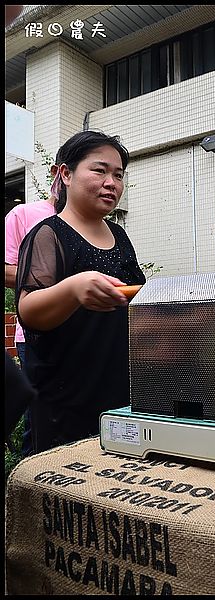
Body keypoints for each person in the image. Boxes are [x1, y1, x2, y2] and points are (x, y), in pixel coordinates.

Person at [15, 130, 146, 453]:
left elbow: (137, 295)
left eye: (118, 175)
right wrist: (73, 289)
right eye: (99, 170)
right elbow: (28, 309)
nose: (111, 182)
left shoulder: (119, 235)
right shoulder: (48, 234)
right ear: (66, 174)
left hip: (116, 386)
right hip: (65, 394)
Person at [5, 153, 65, 455]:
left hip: (84, 334)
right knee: (40, 418)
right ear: (60, 172)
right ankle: (28, 488)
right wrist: (58, 284)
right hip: (35, 334)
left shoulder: (98, 223)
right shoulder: (24, 215)